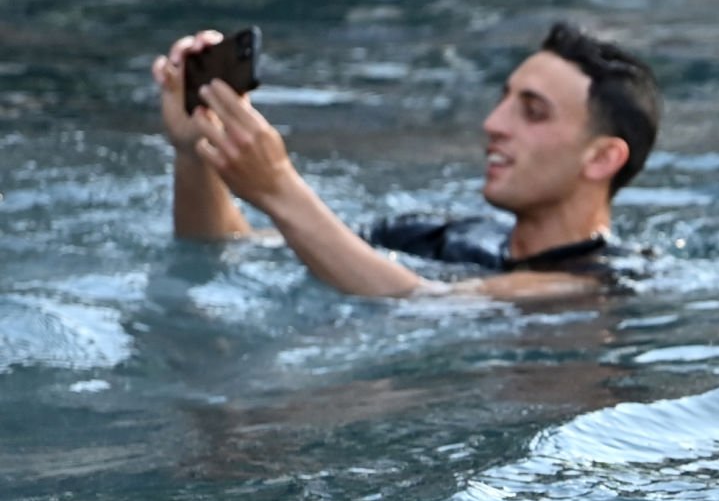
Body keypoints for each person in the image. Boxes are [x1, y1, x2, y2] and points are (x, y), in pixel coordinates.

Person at [151, 22, 660, 301]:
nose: (494, 122)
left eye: (532, 112)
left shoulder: (596, 282)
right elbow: (224, 249)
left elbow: (425, 302)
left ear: (602, 158)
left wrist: (278, 185)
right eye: (504, 99)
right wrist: (197, 150)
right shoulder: (442, 237)